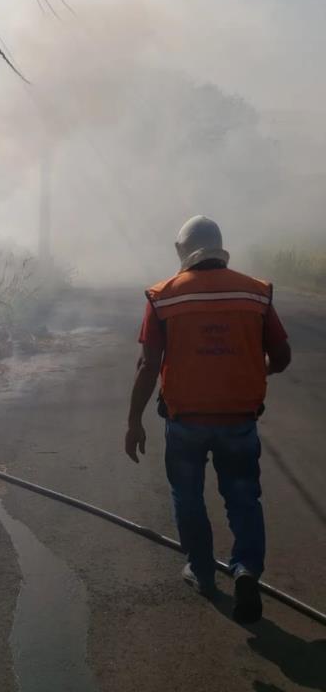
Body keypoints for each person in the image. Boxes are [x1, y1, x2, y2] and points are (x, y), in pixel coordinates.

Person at [126, 215, 291, 624]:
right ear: (219, 247)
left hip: (186, 422)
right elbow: (282, 356)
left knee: (189, 497)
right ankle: (247, 570)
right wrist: (256, 368)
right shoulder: (255, 293)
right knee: (243, 498)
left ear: (182, 251)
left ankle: (202, 572)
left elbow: (148, 366)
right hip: (239, 419)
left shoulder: (163, 297)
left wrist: (134, 421)